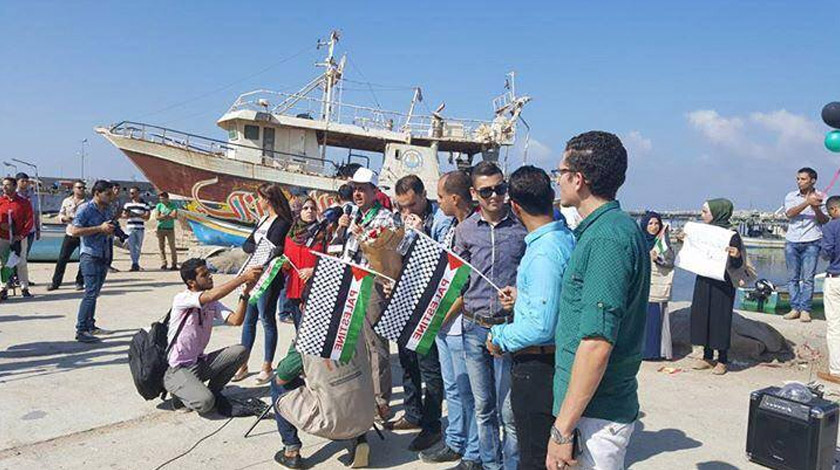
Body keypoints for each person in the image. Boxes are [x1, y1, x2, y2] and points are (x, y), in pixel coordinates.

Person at [547, 131, 650, 470]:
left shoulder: (607, 238)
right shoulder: (603, 230)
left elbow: (596, 344)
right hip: (589, 409)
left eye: (559, 172)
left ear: (578, 179)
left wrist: (562, 431)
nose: (557, 181)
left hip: (595, 414)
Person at [479, 166, 573, 470]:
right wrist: (522, 297)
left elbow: (540, 326)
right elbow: (556, 301)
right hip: (552, 363)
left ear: (515, 207)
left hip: (537, 366)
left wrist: (499, 338)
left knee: (533, 456)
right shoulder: (562, 239)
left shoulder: (543, 251)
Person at [454, 161, 525, 470]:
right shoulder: (464, 229)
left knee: (509, 412)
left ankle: (509, 465)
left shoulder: (522, 228)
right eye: (486, 191)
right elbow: (457, 279)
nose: (495, 196)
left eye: (500, 188)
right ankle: (489, 463)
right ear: (474, 193)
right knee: (483, 407)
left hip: (509, 329)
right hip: (474, 327)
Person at [419, 170, 481, 470]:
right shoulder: (448, 228)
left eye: (441, 196)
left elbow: (469, 286)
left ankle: (472, 449)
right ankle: (455, 440)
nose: (438, 201)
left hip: (458, 323)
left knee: (467, 390)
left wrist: (443, 314)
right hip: (442, 322)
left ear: (455, 198)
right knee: (452, 387)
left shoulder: (473, 230)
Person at [387, 174, 449, 452]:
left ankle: (432, 424)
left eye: (412, 204)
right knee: (407, 359)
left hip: (429, 304)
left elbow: (445, 261)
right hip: (405, 298)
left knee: (430, 367)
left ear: (424, 196)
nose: (407, 211)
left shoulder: (441, 220)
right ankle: (413, 413)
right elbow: (397, 254)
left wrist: (422, 233)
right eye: (402, 206)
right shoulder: (400, 218)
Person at [335, 167, 399, 423]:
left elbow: (390, 253)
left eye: (363, 188)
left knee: (376, 343)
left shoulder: (386, 218)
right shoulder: (352, 215)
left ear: (375, 191)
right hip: (349, 280)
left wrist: (361, 236)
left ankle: (381, 399)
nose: (358, 193)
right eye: (355, 189)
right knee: (355, 341)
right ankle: (364, 394)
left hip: (371, 282)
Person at [163, 258, 263, 415]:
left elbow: (236, 320)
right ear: (191, 283)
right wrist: (243, 277)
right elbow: (210, 296)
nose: (210, 277)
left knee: (240, 351)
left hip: (199, 363)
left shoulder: (212, 303)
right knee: (205, 404)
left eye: (209, 273)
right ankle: (178, 392)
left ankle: (212, 391)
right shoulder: (182, 298)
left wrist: (245, 294)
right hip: (178, 369)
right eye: (204, 275)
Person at [233, 183, 293, 384]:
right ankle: (242, 362)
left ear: (268, 199)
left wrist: (259, 249)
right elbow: (248, 244)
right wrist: (257, 248)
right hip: (252, 274)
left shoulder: (282, 222)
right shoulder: (263, 220)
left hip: (268, 277)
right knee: (249, 319)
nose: (257, 202)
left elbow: (272, 248)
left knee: (266, 318)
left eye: (259, 198)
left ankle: (267, 365)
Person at [689, 199, 745, 376]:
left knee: (720, 319)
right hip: (704, 279)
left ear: (718, 212)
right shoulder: (704, 232)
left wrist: (736, 255)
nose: (702, 215)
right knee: (702, 315)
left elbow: (738, 263)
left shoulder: (731, 234)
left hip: (723, 282)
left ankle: (722, 359)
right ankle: (706, 356)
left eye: (705, 212)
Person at [70, 180, 117, 343]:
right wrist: (99, 228)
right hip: (89, 255)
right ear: (97, 193)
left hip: (104, 254)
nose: (111, 197)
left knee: (95, 293)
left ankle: (90, 325)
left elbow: (108, 227)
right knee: (90, 293)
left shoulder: (108, 208)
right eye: (108, 194)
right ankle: (81, 329)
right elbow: (74, 231)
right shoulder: (85, 209)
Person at [783, 167, 828, 323]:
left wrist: (816, 208)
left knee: (808, 278)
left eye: (803, 179)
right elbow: (790, 213)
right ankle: (794, 308)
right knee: (792, 278)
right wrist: (807, 202)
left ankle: (805, 310)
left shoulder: (822, 197)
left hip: (812, 241)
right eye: (798, 179)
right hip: (792, 241)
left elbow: (824, 221)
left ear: (812, 180)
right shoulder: (790, 196)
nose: (799, 182)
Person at [281, 197, 325, 326]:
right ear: (299, 211)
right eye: (305, 208)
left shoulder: (324, 233)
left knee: (312, 330)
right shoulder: (291, 235)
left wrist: (313, 270)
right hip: (295, 289)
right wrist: (285, 265)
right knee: (298, 329)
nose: (309, 211)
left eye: (313, 208)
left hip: (315, 289)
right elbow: (287, 263)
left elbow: (331, 260)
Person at [640, 211, 675, 361]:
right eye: (650, 223)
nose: (654, 227)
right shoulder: (639, 241)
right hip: (642, 286)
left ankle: (655, 352)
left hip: (656, 288)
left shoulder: (663, 243)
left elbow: (670, 260)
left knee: (655, 318)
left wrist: (658, 259)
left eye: (656, 223)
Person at [48, 180, 86, 291]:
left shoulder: (87, 203)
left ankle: (80, 282)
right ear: (74, 189)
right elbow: (61, 214)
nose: (81, 189)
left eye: (83, 187)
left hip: (83, 234)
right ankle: (55, 283)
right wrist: (64, 218)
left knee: (83, 259)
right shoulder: (67, 201)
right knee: (62, 259)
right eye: (79, 187)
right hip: (70, 233)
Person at [0, 176, 34, 300]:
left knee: (21, 262)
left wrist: (21, 235)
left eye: (7, 185)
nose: (4, 187)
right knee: (4, 263)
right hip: (3, 238)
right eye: (3, 185)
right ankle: (3, 288)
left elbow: (29, 220)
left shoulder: (24, 202)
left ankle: (24, 287)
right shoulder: (0, 201)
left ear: (14, 186)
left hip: (19, 238)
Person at [819, 196, 840, 384]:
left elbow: (827, 253)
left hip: (835, 278)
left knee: (835, 327)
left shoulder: (831, 227)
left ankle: (836, 370)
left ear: (833, 210)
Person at [122, 186, 151, 272]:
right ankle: (134, 263)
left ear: (138, 193)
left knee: (138, 247)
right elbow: (124, 215)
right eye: (130, 193)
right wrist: (136, 215)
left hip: (140, 228)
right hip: (130, 227)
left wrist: (134, 214)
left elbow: (147, 217)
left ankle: (135, 263)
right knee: (131, 247)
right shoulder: (127, 205)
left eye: (133, 193)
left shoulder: (145, 205)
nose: (131, 195)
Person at [154, 192, 179, 270]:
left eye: (163, 198)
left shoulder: (173, 205)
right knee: (161, 247)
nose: (161, 200)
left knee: (172, 247)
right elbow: (157, 217)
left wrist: (163, 216)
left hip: (170, 229)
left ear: (167, 198)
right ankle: (164, 263)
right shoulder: (159, 206)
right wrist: (167, 216)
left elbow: (174, 216)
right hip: (160, 228)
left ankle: (174, 264)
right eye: (160, 198)